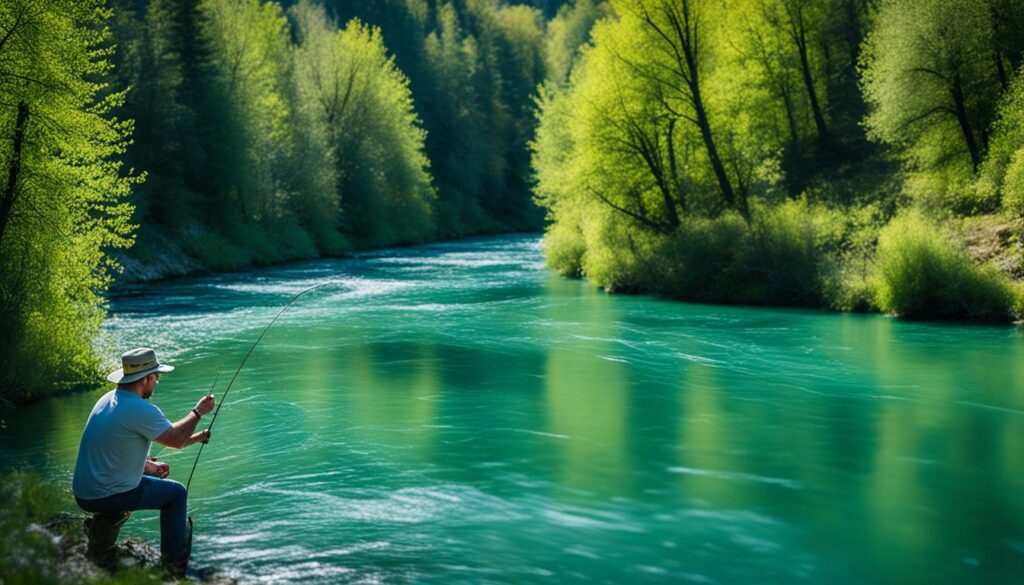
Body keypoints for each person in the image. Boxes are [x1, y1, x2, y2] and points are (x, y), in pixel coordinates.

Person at [72, 348, 215, 577]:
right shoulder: (140, 409)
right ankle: (173, 569)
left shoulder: (108, 399)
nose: (156, 383)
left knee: (133, 484)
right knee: (176, 494)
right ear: (147, 378)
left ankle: (99, 543)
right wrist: (198, 412)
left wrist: (150, 466)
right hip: (106, 494)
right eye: (156, 378)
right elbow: (175, 439)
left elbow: (117, 453)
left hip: (84, 492)